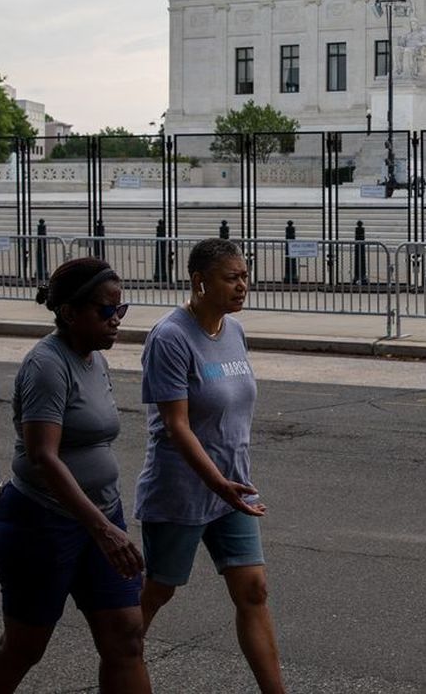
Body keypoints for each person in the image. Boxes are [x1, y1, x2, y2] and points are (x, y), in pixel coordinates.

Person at [0, 258, 149, 694]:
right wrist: (104, 529)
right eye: (106, 311)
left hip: (100, 517)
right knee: (24, 646)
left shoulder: (94, 360)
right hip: (43, 523)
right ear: (70, 312)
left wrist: (106, 523)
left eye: (121, 310)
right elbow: (43, 458)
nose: (116, 321)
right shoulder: (47, 365)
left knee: (125, 636)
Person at [136, 239, 285, 694]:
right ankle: (119, 660)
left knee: (254, 590)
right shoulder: (170, 337)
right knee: (159, 590)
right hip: (182, 490)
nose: (243, 286)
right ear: (200, 282)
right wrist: (216, 482)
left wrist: (227, 485)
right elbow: (176, 425)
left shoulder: (234, 332)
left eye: (245, 275)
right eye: (231, 277)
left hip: (232, 490)